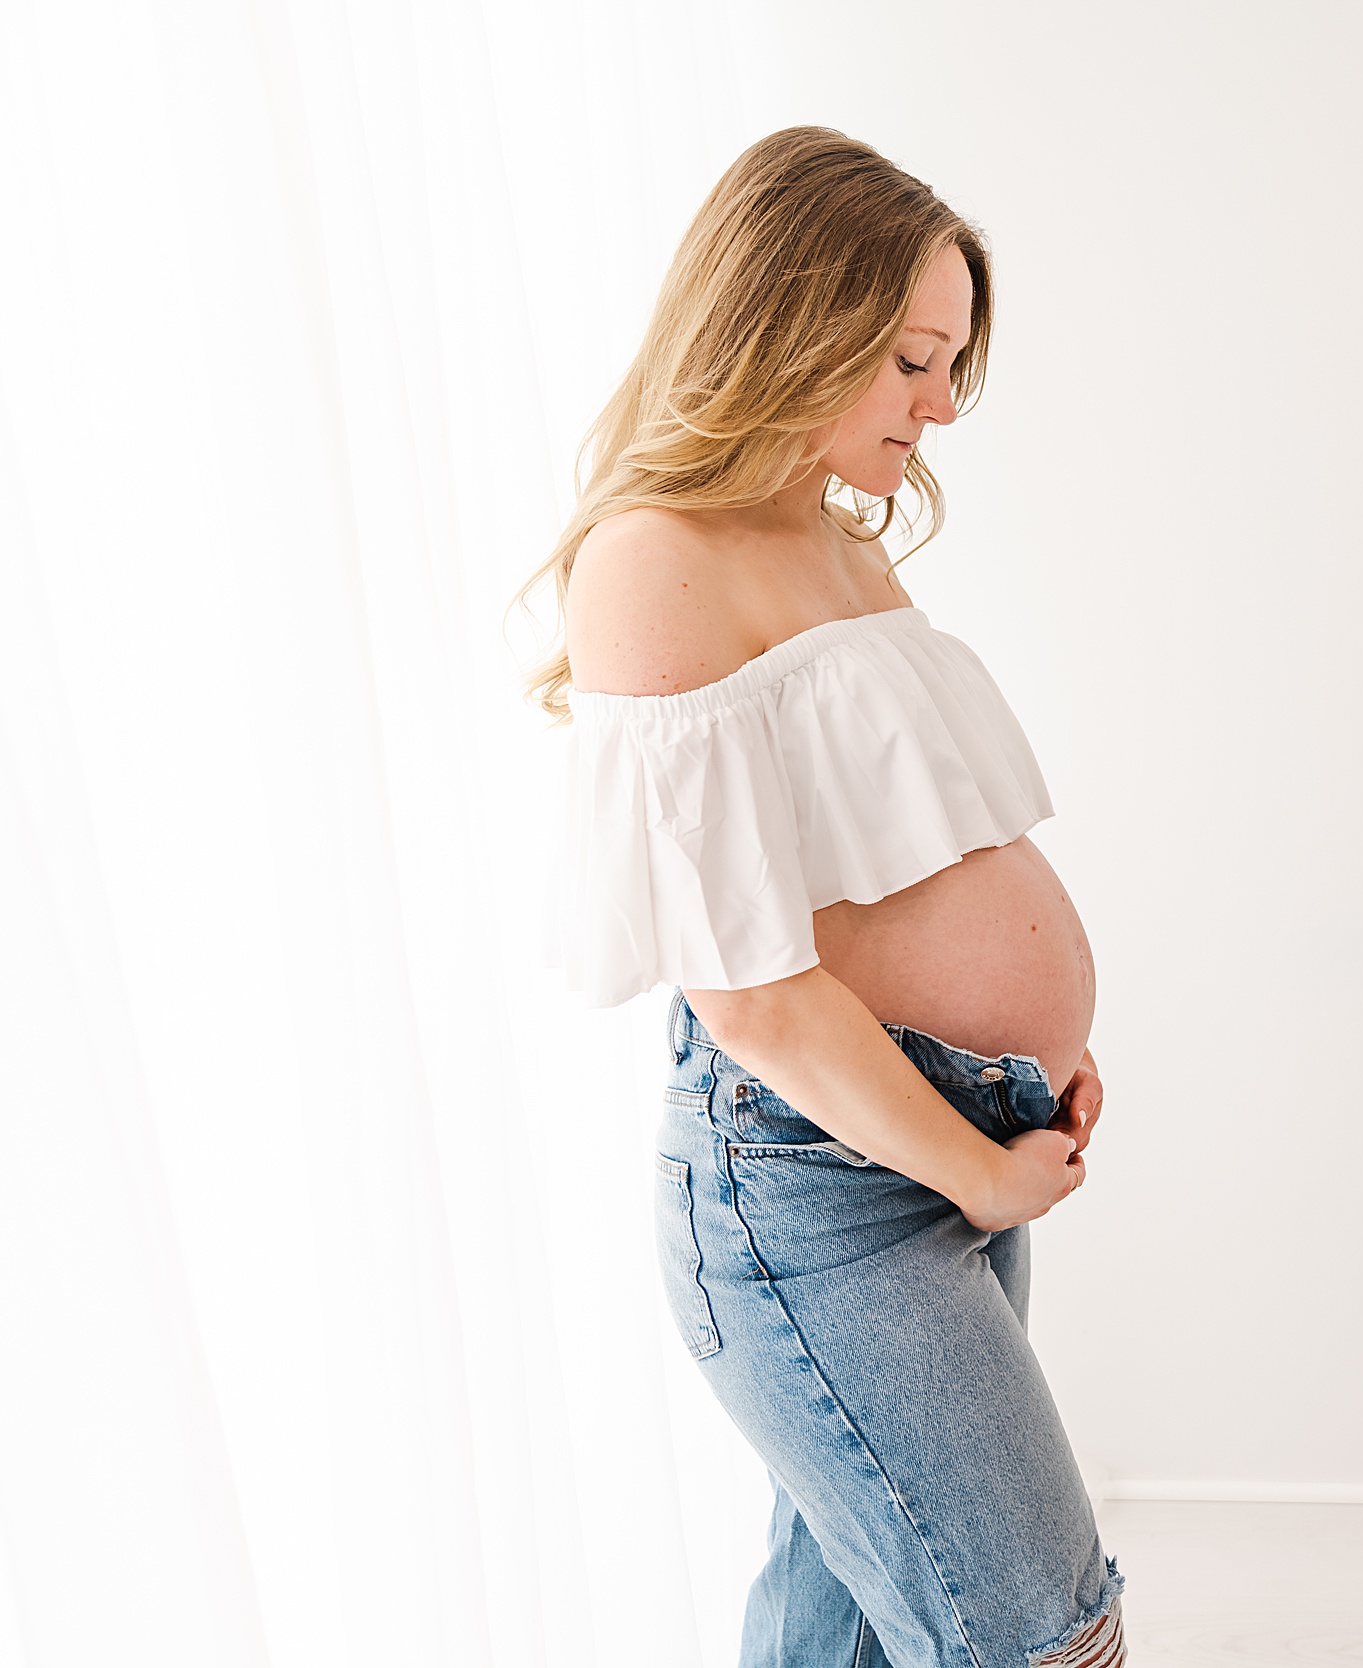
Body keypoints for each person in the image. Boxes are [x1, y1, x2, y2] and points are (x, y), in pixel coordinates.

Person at [515, 126, 1126, 1668]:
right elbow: (750, 990)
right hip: (820, 1189)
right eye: (912, 360)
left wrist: (1029, 1060)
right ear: (798, 317)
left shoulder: (839, 543)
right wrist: (976, 1170)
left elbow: (918, 857)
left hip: (947, 1138)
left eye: (953, 366)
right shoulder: (652, 558)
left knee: (842, 1631)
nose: (938, 406)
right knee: (1040, 1640)